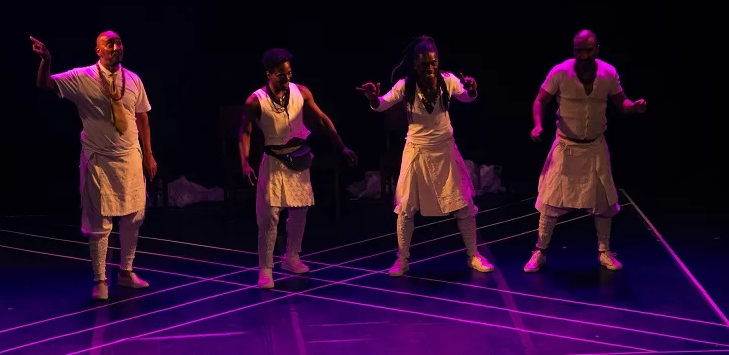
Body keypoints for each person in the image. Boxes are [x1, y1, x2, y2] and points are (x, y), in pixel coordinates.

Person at [31, 31, 158, 300]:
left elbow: (142, 117)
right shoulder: (82, 77)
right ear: (98, 51)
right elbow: (45, 84)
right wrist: (46, 61)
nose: (116, 47)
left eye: (119, 43)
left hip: (130, 157)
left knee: (134, 217)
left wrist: (148, 154)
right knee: (100, 221)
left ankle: (126, 272)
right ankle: (100, 279)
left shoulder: (133, 79)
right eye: (109, 44)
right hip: (99, 159)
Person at [357, 36, 494, 277]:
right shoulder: (405, 86)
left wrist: (472, 89)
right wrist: (373, 99)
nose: (430, 68)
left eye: (433, 62)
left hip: (445, 149)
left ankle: (473, 255)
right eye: (424, 64)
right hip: (417, 150)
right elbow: (382, 104)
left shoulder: (448, 81)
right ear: (415, 65)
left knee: (463, 204)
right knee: (406, 207)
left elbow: (466, 97)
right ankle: (402, 260)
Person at [526, 29, 646, 273]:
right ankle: (540, 251)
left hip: (595, 147)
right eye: (579, 50)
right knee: (550, 201)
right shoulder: (560, 72)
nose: (583, 55)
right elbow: (540, 100)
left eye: (588, 50)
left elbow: (621, 103)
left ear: (597, 49)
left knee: (604, 201)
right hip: (566, 146)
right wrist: (537, 125)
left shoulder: (608, 73)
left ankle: (604, 251)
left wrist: (634, 107)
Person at [239, 48, 358, 289]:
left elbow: (322, 119)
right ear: (269, 73)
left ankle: (291, 257)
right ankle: (266, 268)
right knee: (269, 215)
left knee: (300, 210)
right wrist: (245, 163)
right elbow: (245, 131)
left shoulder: (301, 92)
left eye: (289, 72)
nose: (287, 78)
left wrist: (342, 146)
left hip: (299, 158)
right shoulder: (255, 101)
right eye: (281, 74)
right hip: (273, 161)